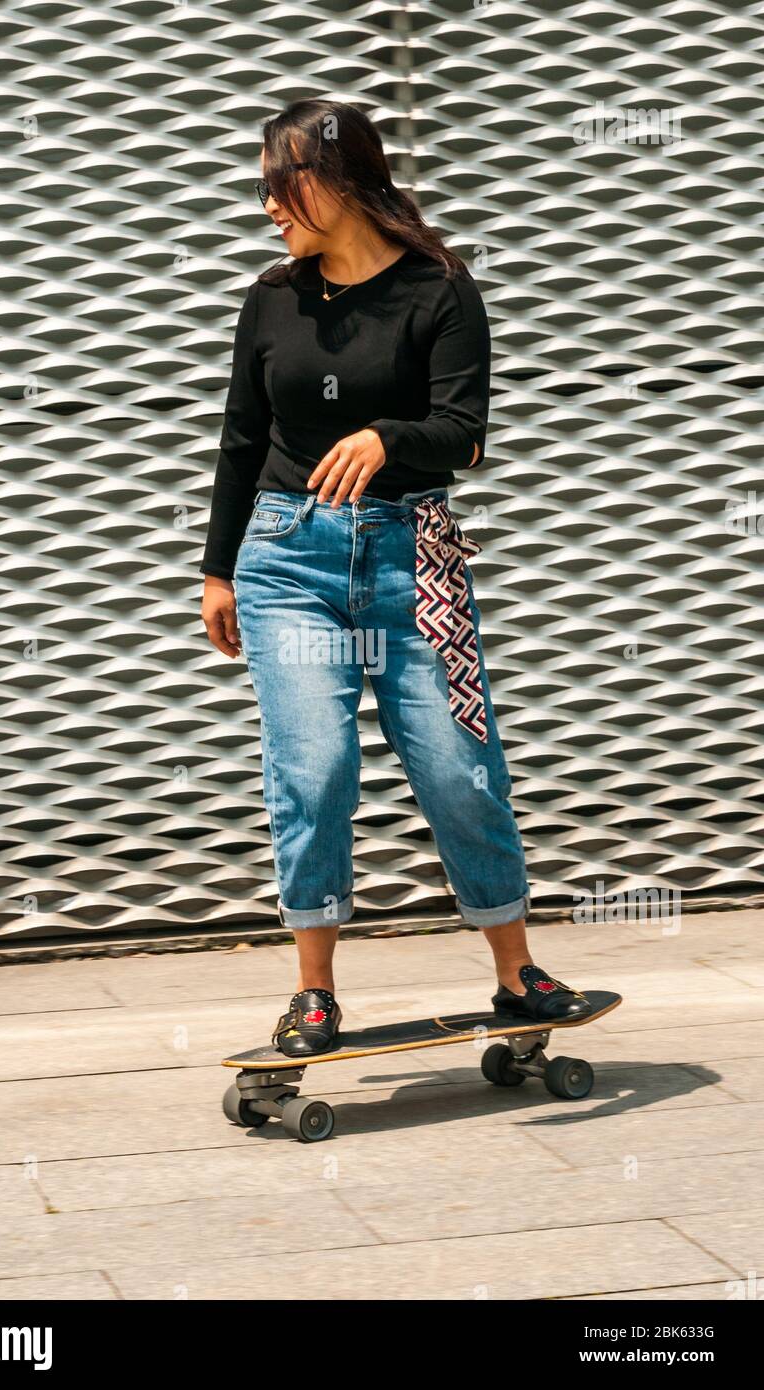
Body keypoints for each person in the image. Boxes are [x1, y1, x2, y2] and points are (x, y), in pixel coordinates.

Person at [201, 99, 590, 1057]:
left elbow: (463, 433)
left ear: (338, 177)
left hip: (414, 557)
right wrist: (217, 570)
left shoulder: (440, 291)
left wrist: (385, 436)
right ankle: (315, 992)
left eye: (276, 184)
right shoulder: (271, 299)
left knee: (459, 766)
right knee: (315, 769)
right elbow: (242, 441)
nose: (265, 208)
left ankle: (515, 970)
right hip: (287, 558)